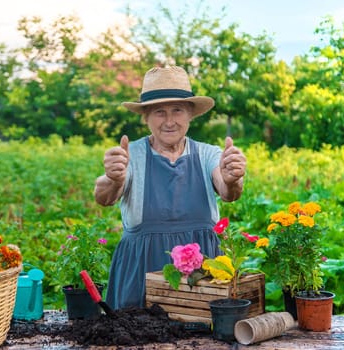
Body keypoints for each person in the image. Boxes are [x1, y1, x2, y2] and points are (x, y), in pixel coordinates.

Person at [94, 66, 247, 309]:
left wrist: (232, 179)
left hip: (200, 275)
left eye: (177, 110)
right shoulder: (131, 154)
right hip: (141, 270)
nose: (169, 121)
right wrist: (113, 178)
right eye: (159, 112)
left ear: (190, 115)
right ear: (146, 117)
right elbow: (104, 196)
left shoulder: (208, 154)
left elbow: (228, 191)